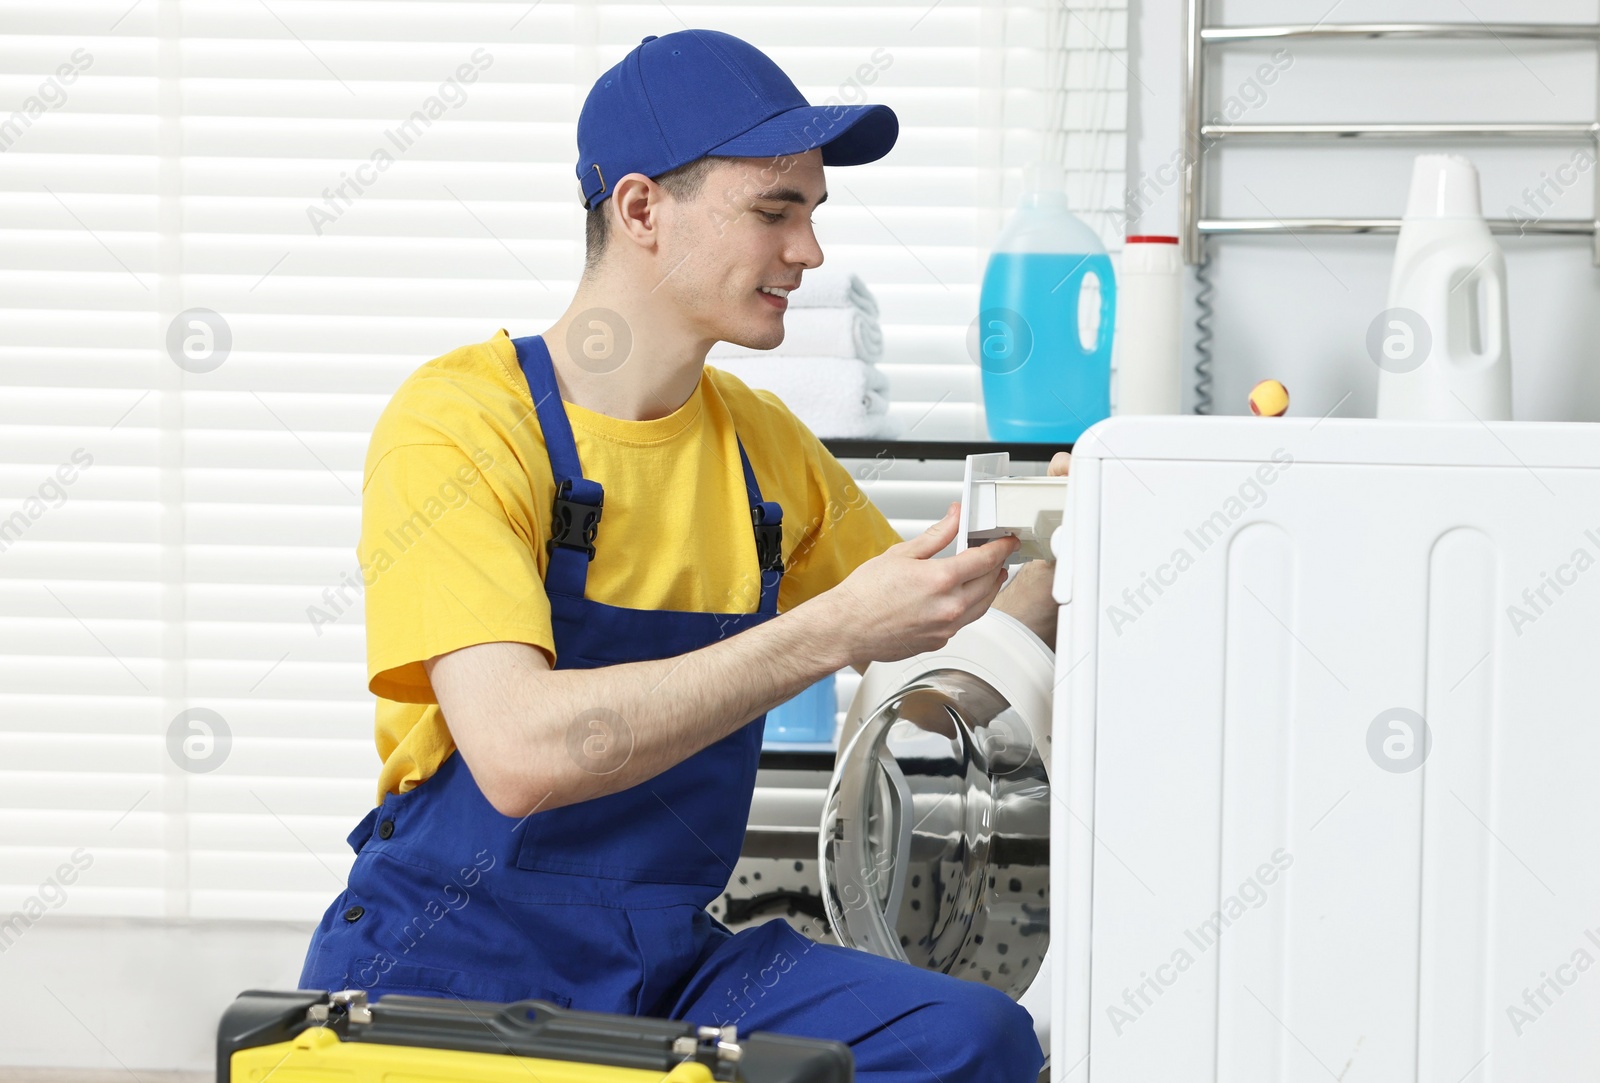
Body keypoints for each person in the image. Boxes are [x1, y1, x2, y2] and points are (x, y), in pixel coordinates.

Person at [298, 28, 1067, 1083]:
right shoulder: (463, 424)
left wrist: (1082, 543)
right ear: (642, 209)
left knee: (972, 1041)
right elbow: (520, 757)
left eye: (811, 213)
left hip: (665, 968)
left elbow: (940, 668)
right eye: (774, 210)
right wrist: (829, 630)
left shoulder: (761, 448)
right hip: (449, 971)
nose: (809, 252)